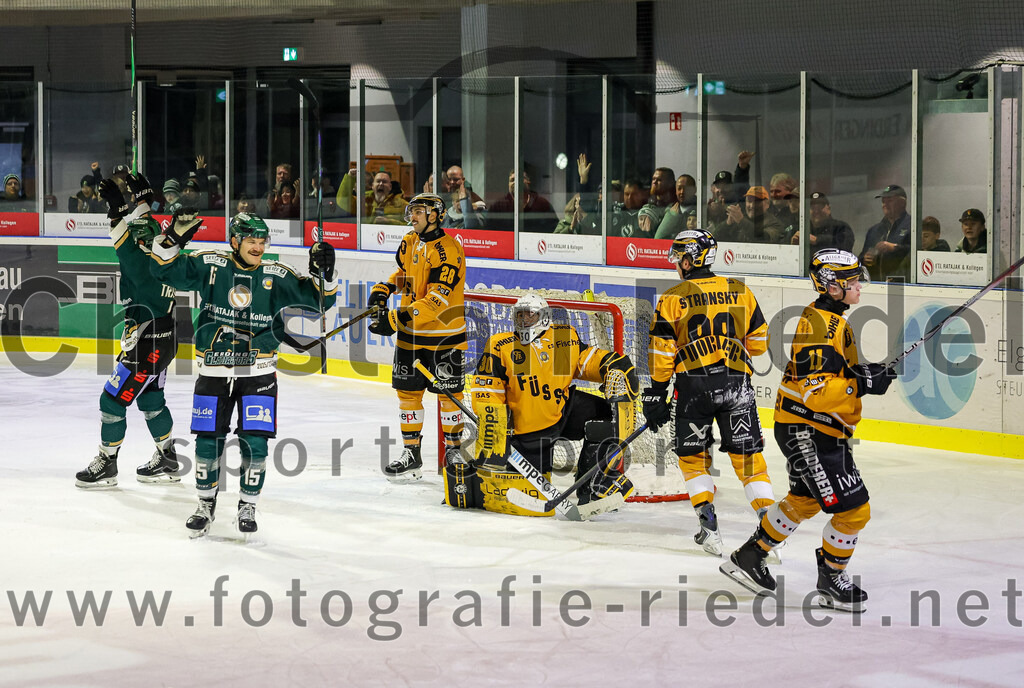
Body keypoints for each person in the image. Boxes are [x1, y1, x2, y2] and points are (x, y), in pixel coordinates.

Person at [720, 249, 896, 613]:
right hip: (809, 429)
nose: (859, 285)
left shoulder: (830, 320)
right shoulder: (820, 325)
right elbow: (816, 393)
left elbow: (833, 377)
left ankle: (750, 556)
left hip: (807, 427)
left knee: (806, 499)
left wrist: (864, 376)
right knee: (854, 511)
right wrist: (861, 384)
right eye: (851, 281)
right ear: (832, 287)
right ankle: (832, 578)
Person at [149, 211, 337, 537]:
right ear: (234, 241)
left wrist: (325, 271)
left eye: (262, 241)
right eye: (251, 240)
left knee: (256, 442)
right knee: (208, 441)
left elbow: (320, 301)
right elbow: (161, 269)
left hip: (259, 371)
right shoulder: (211, 265)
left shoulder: (275, 273)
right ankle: (205, 504)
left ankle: (248, 505)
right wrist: (172, 241)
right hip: (213, 369)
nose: (258, 247)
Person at [642, 229, 775, 557]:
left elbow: (662, 353)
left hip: (694, 390)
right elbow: (759, 345)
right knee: (750, 462)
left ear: (690, 259)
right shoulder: (739, 290)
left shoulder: (673, 296)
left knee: (693, 459)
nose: (676, 264)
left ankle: (709, 528)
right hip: (736, 387)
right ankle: (771, 533)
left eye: (679, 257)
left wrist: (657, 393)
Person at [445, 292, 639, 515]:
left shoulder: (562, 339)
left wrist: (613, 364)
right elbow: (486, 393)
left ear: (544, 317)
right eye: (520, 316)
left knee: (606, 415)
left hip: (562, 411)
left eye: (530, 316)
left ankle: (593, 486)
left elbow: (587, 361)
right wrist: (497, 432)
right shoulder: (502, 346)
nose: (524, 321)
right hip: (527, 430)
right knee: (528, 488)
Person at [74, 172, 182, 489]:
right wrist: (142, 198)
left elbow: (120, 234)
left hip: (146, 343)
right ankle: (168, 458)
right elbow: (143, 224)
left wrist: (115, 206)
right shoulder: (163, 253)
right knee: (151, 400)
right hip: (164, 338)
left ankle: (107, 463)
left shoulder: (138, 261)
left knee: (111, 401)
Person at [367, 193, 466, 482]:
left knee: (450, 397)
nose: (413, 216)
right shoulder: (410, 240)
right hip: (410, 337)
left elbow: (437, 300)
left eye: (419, 211)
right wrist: (384, 288)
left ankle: (454, 450)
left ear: (436, 214)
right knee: (408, 394)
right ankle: (412, 453)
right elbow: (404, 273)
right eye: (412, 211)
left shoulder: (449, 252)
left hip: (444, 337)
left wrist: (394, 319)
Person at [859, 184, 911, 282]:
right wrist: (864, 259)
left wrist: (895, 248)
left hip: (898, 286)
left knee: (894, 297)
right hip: (875, 287)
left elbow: (917, 254)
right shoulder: (874, 230)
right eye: (883, 201)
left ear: (902, 203)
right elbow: (860, 259)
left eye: (890, 201)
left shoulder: (913, 226)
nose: (885, 205)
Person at [487, 170, 558, 233]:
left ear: (528, 181)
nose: (515, 182)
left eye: (519, 178)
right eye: (512, 180)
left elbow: (554, 230)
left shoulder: (542, 204)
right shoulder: (498, 205)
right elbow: (488, 232)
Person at [336, 168, 408, 224]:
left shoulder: (403, 205)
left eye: (384, 182)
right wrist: (350, 178)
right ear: (372, 186)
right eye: (378, 181)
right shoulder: (363, 201)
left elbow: (410, 226)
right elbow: (343, 201)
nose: (381, 184)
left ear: (390, 186)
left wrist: (390, 222)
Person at [715, 186, 785, 244]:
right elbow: (715, 238)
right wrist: (728, 223)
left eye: (757, 202)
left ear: (767, 204)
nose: (752, 206)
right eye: (749, 201)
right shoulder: (739, 219)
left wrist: (741, 220)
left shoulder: (775, 223)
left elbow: (764, 239)